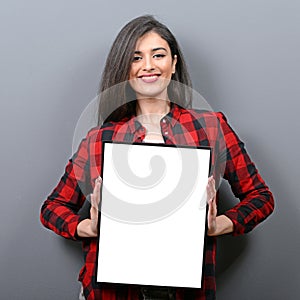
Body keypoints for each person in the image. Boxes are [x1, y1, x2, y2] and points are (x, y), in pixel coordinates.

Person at [40, 15, 274, 300]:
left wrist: (219, 225)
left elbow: (261, 197)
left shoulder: (212, 128)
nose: (148, 66)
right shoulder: (98, 139)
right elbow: (52, 208)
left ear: (174, 63)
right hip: (110, 293)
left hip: (187, 292)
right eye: (136, 57)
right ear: (124, 68)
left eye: (158, 55)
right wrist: (87, 226)